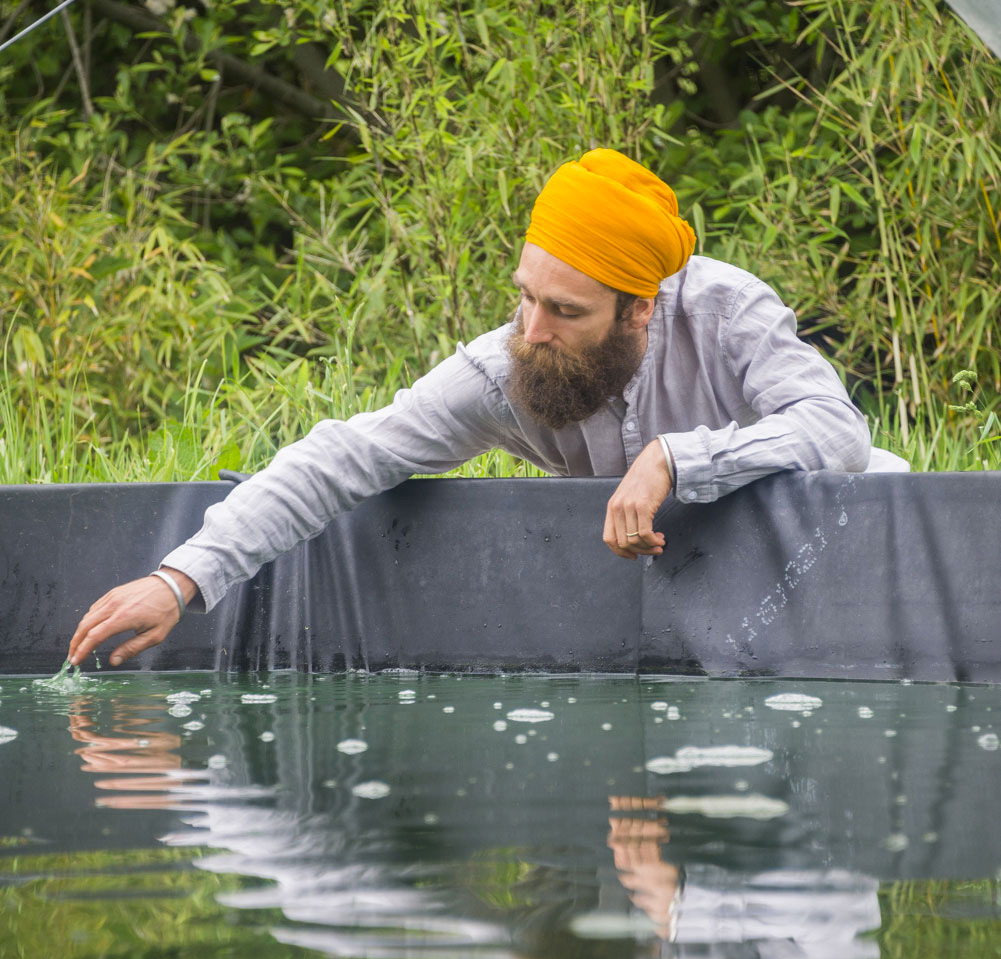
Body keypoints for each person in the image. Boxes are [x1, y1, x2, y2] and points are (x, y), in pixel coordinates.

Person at [69, 148, 880, 668]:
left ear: (642, 309)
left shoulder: (725, 312)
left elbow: (837, 433)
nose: (532, 331)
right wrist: (178, 579)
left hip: (837, 585)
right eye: (525, 298)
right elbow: (339, 457)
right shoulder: (505, 370)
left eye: (565, 312)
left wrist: (676, 458)